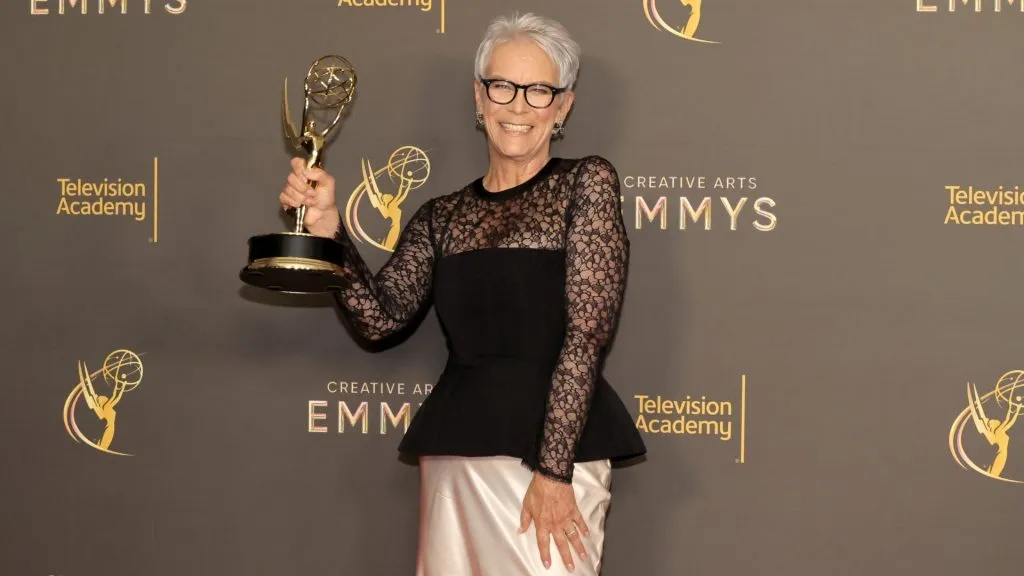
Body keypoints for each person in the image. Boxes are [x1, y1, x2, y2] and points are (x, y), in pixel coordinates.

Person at [279, 12, 646, 575]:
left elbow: (586, 334)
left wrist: (553, 472)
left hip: (552, 461)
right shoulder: (441, 217)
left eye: (539, 90)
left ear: (563, 106)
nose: (518, 106)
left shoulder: (586, 184)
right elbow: (380, 319)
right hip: (457, 456)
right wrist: (331, 232)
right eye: (502, 86)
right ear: (480, 97)